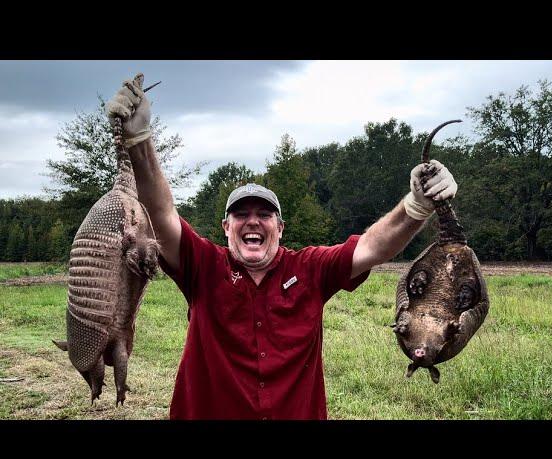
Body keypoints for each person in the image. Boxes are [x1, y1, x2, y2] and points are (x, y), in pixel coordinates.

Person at [105, 74, 458, 420]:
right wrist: (139, 139)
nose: (253, 221)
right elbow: (162, 212)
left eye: (264, 214)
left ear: (281, 228)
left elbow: (372, 247)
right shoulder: (203, 265)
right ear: (226, 227)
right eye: (241, 214)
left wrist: (415, 206)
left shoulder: (310, 269)